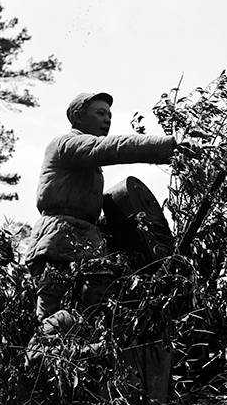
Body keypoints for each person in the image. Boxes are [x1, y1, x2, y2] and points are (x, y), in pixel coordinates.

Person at [25, 91, 196, 320]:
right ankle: (44, 355)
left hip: (82, 240)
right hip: (59, 240)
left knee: (87, 321)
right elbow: (115, 147)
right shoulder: (66, 144)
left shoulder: (86, 159)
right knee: (54, 320)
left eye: (110, 115)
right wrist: (170, 147)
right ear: (78, 117)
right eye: (100, 113)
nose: (107, 120)